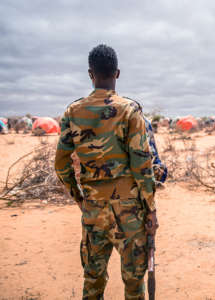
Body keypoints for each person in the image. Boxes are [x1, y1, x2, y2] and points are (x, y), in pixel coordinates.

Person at [54, 44, 158, 300]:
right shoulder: (129, 110)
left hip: (93, 209)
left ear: (91, 74)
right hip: (130, 210)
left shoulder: (72, 112)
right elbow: (142, 165)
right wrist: (151, 208)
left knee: (93, 279)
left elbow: (61, 164)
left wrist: (80, 199)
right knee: (134, 282)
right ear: (118, 73)